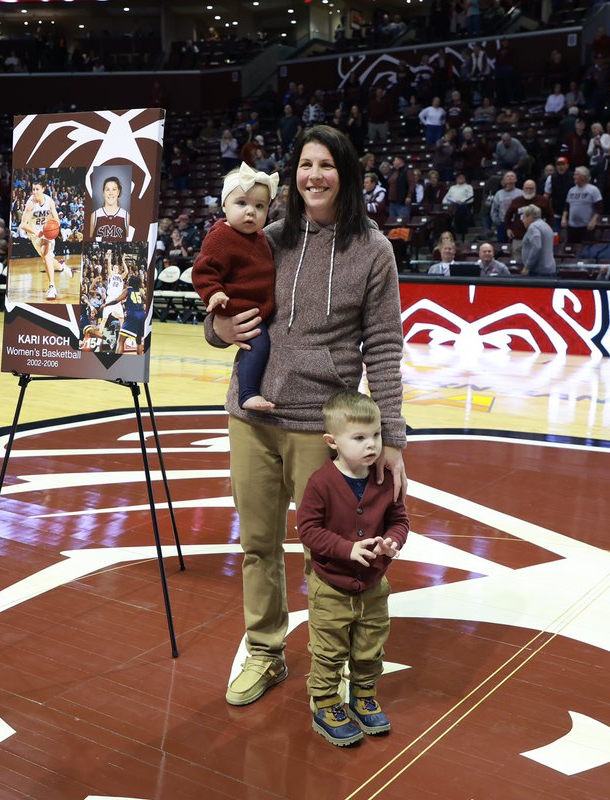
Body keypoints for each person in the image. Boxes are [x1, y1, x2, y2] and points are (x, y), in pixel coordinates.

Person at [206, 125, 407, 708]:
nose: (313, 175)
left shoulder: (374, 250)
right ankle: (266, 652)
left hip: (321, 425)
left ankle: (334, 659)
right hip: (251, 416)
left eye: (326, 165)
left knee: (333, 549)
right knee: (258, 545)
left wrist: (391, 436)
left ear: (346, 174)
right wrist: (216, 331)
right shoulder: (265, 236)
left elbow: (385, 345)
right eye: (304, 164)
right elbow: (222, 304)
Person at [298, 390, 408, 746]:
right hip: (330, 585)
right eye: (359, 438)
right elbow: (308, 531)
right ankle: (326, 702)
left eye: (375, 435)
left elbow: (399, 520)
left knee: (370, 645)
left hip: (374, 585)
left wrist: (392, 541)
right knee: (328, 650)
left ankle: (363, 694)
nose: (371, 445)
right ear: (332, 441)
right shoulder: (321, 482)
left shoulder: (385, 478)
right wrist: (347, 549)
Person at [192, 163, 280, 411]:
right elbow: (203, 271)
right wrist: (215, 293)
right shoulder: (221, 236)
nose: (251, 212)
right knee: (258, 343)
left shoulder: (260, 236)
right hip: (239, 308)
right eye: (241, 204)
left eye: (259, 206)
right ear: (224, 206)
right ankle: (248, 393)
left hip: (256, 307)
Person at [20, 180, 71, 301]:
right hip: (35, 234)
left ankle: (52, 287)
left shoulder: (50, 201)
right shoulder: (30, 203)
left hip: (47, 233)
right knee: (45, 258)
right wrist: (37, 233)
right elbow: (23, 224)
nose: (35, 192)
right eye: (33, 189)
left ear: (43, 189)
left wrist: (53, 230)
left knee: (46, 255)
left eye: (37, 189)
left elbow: (57, 220)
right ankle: (61, 267)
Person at [561, 167, 602, 244]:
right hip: (572, 227)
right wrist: (564, 218)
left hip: (586, 227)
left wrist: (593, 221)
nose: (574, 177)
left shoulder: (593, 190)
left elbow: (599, 208)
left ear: (583, 176)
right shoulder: (571, 190)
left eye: (576, 175)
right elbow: (567, 207)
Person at [91, 176, 134, 243]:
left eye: (114, 189)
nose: (110, 193)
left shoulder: (126, 216)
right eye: (107, 189)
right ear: (103, 192)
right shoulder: (94, 215)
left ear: (118, 192)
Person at [518, 205, 556, 277]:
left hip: (538, 271)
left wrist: (527, 267)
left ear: (530, 217)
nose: (523, 221)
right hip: (549, 269)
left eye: (524, 217)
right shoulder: (546, 226)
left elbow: (537, 246)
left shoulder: (533, 227)